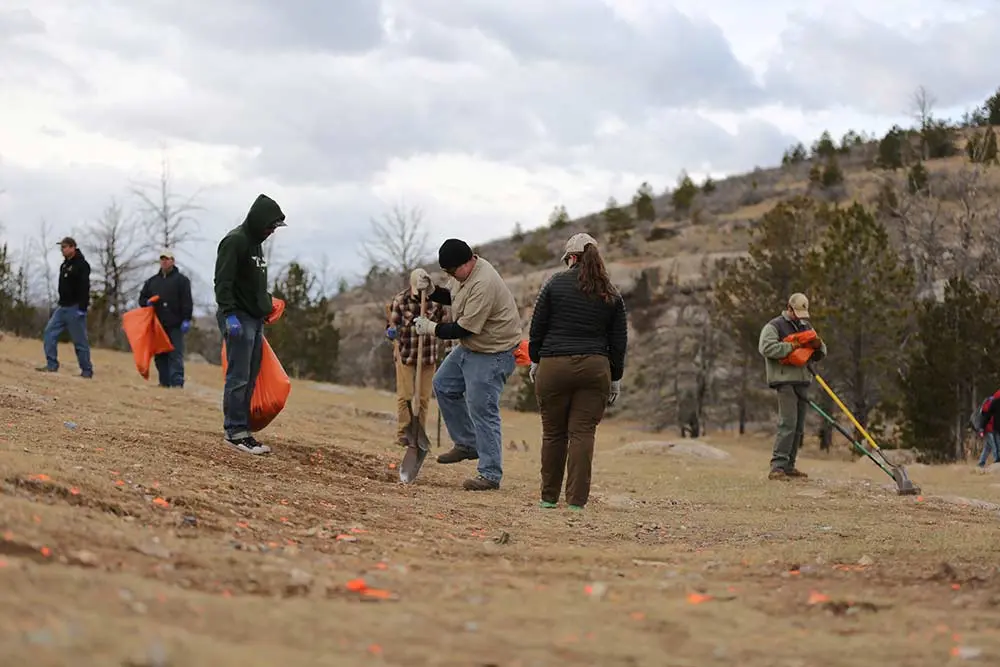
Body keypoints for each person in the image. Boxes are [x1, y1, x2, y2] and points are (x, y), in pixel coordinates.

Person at [410, 239, 522, 491]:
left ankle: (490, 474)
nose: (450, 276)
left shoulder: (484, 283)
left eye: (451, 271)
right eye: (446, 273)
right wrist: (431, 291)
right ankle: (467, 444)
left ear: (467, 261)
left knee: (482, 408)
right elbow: (454, 297)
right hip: (473, 347)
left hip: (494, 351)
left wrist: (431, 328)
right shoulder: (464, 275)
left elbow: (464, 328)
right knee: (443, 384)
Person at [527, 233, 628, 511]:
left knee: (553, 434)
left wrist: (536, 360)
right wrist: (615, 377)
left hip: (554, 366)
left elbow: (537, 329)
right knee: (582, 434)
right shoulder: (610, 292)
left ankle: (548, 498)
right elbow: (619, 341)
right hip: (595, 368)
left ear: (571, 258)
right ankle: (575, 503)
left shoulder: (554, 285)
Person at [214, 193, 286, 455]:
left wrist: (267, 305)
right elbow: (223, 282)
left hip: (254, 319)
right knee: (239, 376)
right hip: (237, 318)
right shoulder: (235, 241)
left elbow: (253, 286)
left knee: (252, 374)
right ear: (258, 221)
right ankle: (234, 432)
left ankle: (244, 429)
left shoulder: (256, 244)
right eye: (269, 226)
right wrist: (229, 313)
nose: (270, 232)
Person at [758, 293, 827, 481]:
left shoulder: (806, 325)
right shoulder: (774, 326)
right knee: (787, 422)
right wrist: (793, 346)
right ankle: (778, 467)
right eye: (796, 312)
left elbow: (821, 350)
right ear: (788, 308)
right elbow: (766, 348)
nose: (799, 317)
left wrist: (818, 347)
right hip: (784, 380)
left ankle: (789, 466)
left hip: (803, 380)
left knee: (798, 426)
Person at [386, 270, 451, 447]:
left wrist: (448, 348)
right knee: (405, 396)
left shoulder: (436, 301)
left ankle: (418, 435)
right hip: (406, 355)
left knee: (422, 398)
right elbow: (392, 326)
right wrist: (392, 333)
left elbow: (444, 325)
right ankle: (403, 434)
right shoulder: (401, 300)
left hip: (428, 356)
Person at [37, 236, 93, 378]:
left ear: (72, 247)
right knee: (49, 333)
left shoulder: (82, 265)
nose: (62, 250)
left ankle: (86, 370)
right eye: (61, 247)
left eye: (65, 247)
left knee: (80, 341)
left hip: (76, 308)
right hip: (62, 307)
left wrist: (82, 307)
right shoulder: (64, 265)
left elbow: (85, 287)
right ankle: (51, 365)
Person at [139, 249, 194, 388]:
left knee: (175, 354)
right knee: (160, 354)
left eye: (167, 259)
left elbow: (187, 301)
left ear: (173, 261)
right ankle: (164, 382)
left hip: (176, 323)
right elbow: (142, 298)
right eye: (162, 259)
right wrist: (147, 302)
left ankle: (176, 383)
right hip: (157, 324)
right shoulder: (152, 281)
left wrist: (186, 319)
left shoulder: (182, 281)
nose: (164, 261)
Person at [976, 390, 1000, 468]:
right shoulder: (991, 405)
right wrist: (981, 429)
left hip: (992, 428)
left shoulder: (991, 403)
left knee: (988, 447)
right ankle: (997, 460)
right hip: (988, 429)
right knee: (994, 445)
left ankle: (981, 463)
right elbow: (985, 418)